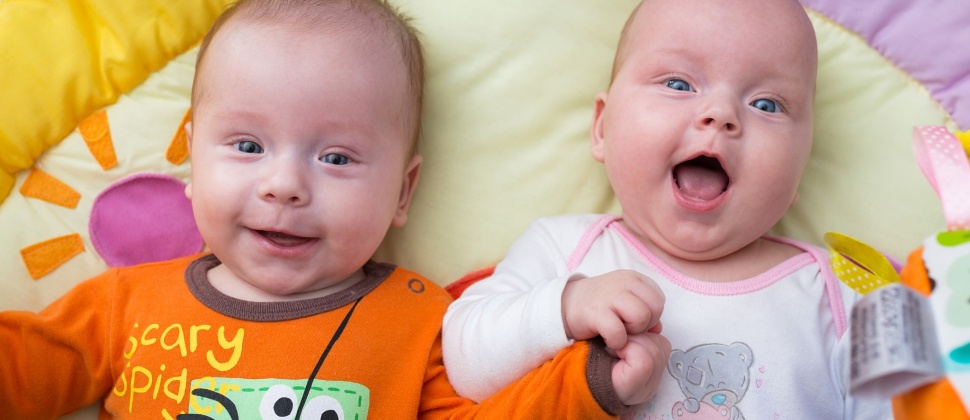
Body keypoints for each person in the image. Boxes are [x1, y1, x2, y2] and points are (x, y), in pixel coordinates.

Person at [0, 0, 662, 418]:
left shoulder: (425, 320)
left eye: (337, 159)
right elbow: (25, 367)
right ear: (192, 168)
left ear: (403, 193)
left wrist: (588, 386)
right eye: (248, 145)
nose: (285, 185)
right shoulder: (124, 304)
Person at [442, 0, 893, 418]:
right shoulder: (565, 250)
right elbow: (462, 362)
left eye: (766, 104)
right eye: (678, 84)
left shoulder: (841, 297)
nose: (719, 113)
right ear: (602, 127)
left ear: (800, 170)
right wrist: (566, 306)